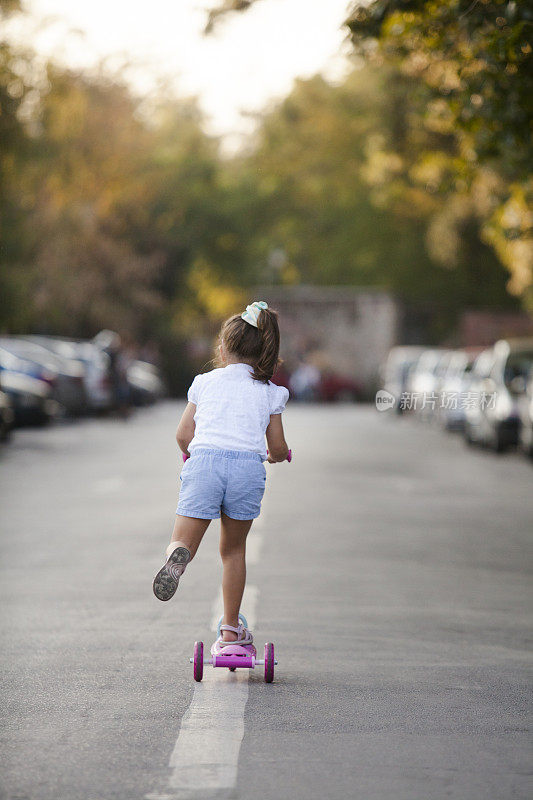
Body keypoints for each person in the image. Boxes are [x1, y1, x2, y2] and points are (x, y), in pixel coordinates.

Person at [152, 301, 290, 651]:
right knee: (233, 552)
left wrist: (189, 455)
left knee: (183, 539)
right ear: (265, 353)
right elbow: (276, 446)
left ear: (222, 349)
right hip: (245, 469)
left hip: (205, 464)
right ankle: (230, 631)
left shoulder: (205, 383)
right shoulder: (271, 392)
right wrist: (279, 457)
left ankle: (178, 556)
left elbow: (184, 434)